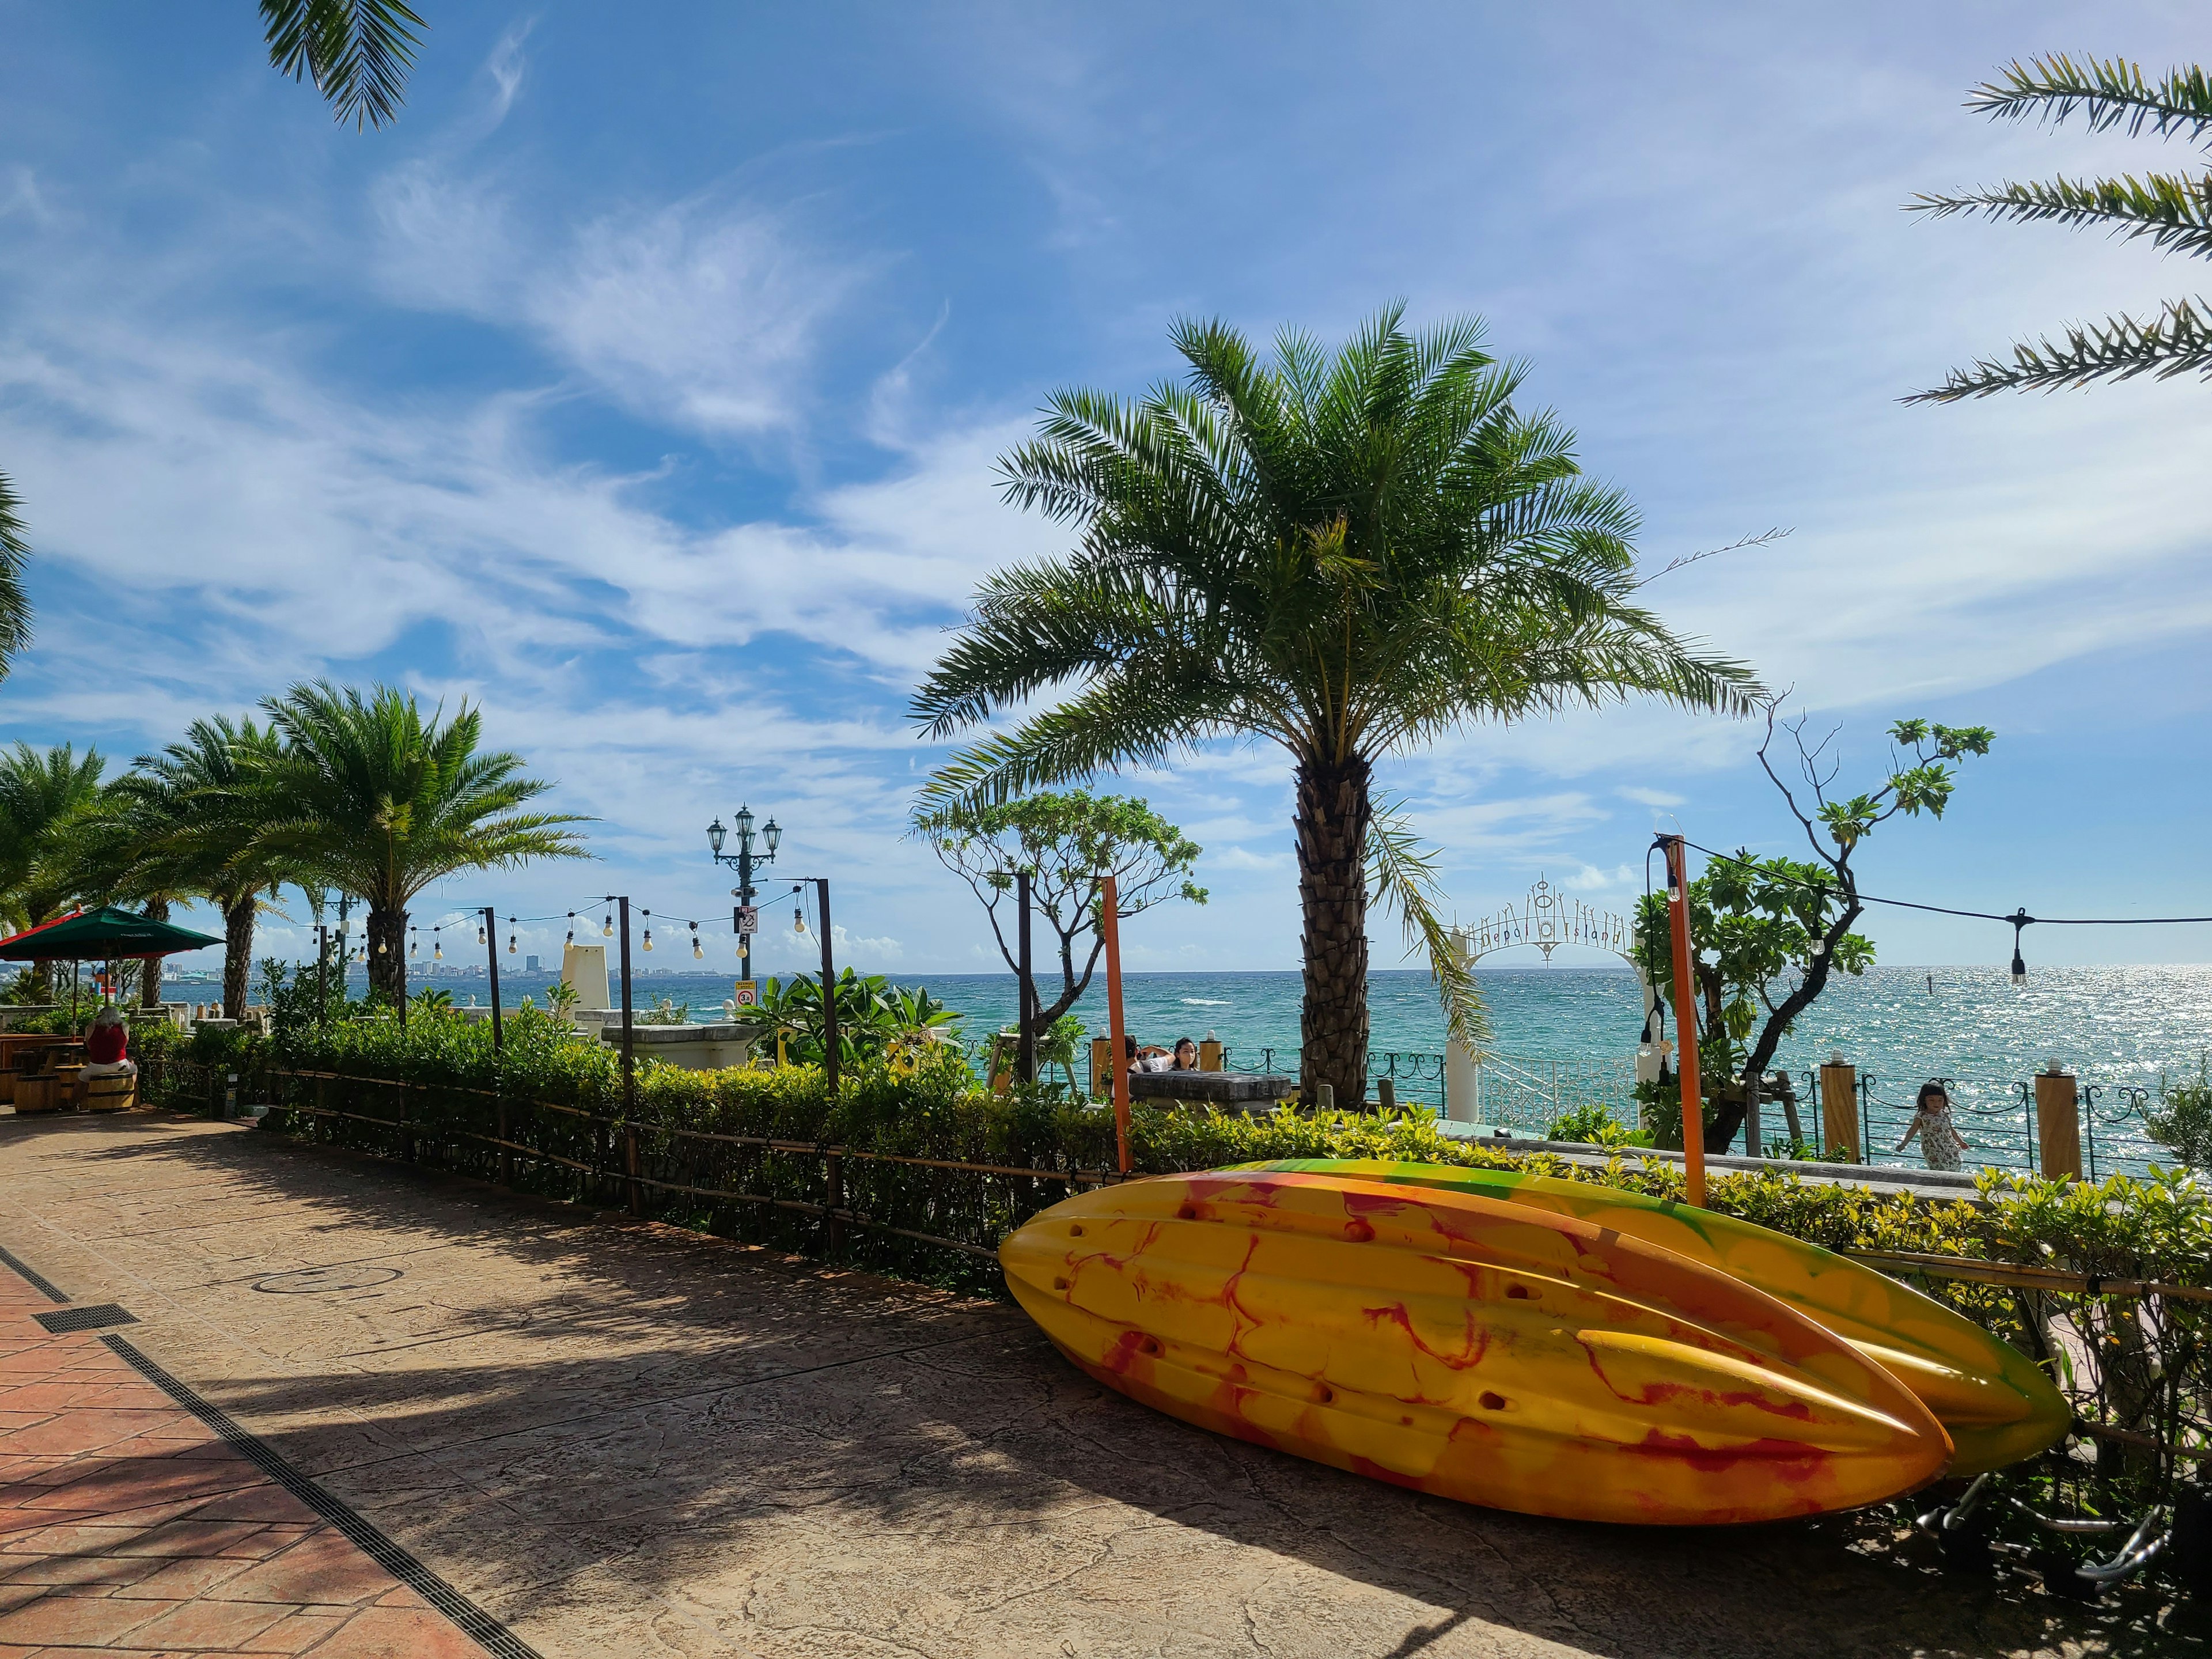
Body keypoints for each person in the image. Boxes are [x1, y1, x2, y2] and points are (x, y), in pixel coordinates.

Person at [1896, 1081, 1969, 1173]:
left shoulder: (1944, 1114)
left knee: (1955, 1166)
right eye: (1931, 1100)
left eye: (1940, 1100)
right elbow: (1912, 1132)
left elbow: (1951, 1130)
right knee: (1940, 1170)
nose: (1936, 1103)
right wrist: (1903, 1145)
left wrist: (1961, 1142)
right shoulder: (1921, 1116)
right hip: (1933, 1150)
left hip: (1949, 1148)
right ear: (1924, 1100)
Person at [77, 1004, 137, 1104]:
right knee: (134, 1068)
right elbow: (125, 1044)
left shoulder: (92, 1027)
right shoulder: (123, 1026)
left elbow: (89, 1045)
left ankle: (75, 1102)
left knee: (82, 1077)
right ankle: (128, 1092)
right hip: (119, 1065)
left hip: (97, 1066)